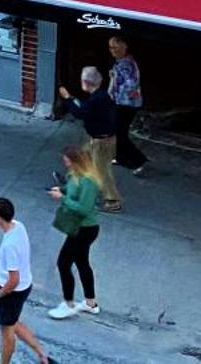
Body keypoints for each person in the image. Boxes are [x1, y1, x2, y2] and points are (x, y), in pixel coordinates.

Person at [0, 196, 51, 364]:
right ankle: (42, 355)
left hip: (12, 291)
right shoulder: (19, 226)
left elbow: (13, 279)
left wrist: (1, 293)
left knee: (7, 332)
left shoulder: (9, 245)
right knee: (14, 322)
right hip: (25, 285)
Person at [47, 145, 104, 320]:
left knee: (64, 263)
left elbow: (84, 209)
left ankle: (69, 304)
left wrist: (62, 198)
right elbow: (72, 189)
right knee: (81, 262)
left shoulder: (88, 181)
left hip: (84, 229)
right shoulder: (75, 175)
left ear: (76, 162)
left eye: (67, 160)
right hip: (81, 228)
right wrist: (62, 190)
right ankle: (90, 303)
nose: (65, 163)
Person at [59, 66, 124, 211]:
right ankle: (72, 183)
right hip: (99, 139)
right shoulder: (101, 95)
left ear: (86, 82)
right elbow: (86, 108)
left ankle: (113, 202)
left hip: (101, 142)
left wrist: (67, 99)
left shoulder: (96, 99)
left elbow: (80, 113)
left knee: (102, 171)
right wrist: (73, 99)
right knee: (81, 159)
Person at [108, 36, 147, 173]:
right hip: (123, 102)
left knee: (120, 133)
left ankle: (138, 160)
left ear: (123, 47)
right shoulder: (122, 62)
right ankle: (120, 157)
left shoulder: (126, 64)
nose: (111, 50)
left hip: (126, 104)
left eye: (114, 47)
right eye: (110, 47)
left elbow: (131, 84)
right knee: (117, 131)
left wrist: (115, 81)